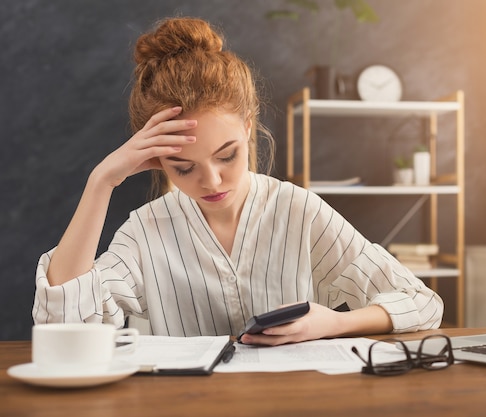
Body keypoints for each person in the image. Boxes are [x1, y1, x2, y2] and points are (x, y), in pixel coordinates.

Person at [33, 17, 443, 346]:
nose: (211, 181)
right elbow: (64, 320)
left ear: (248, 128)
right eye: (183, 167)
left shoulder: (297, 210)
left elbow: (420, 302)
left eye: (226, 155)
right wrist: (102, 181)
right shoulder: (145, 231)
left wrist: (332, 323)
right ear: (157, 159)